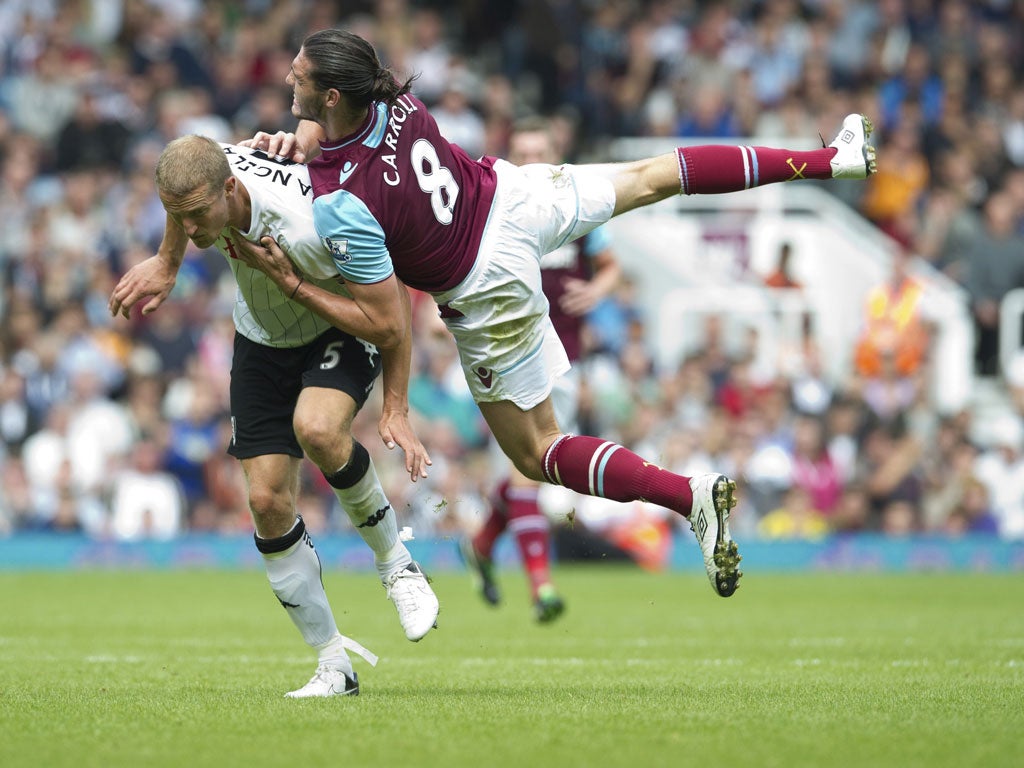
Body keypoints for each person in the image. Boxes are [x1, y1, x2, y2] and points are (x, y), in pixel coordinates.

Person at [237, 28, 878, 600]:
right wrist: (306, 137)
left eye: (299, 75)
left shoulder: (339, 200)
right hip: (517, 196)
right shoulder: (395, 100)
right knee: (656, 175)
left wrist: (294, 284)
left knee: (536, 451)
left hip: (485, 284)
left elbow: (385, 322)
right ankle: (832, 160)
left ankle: (689, 498)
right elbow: (341, 135)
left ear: (330, 97)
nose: (287, 78)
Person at [108, 136, 440, 698]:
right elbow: (183, 189)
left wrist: (397, 408)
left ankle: (397, 564)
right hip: (259, 339)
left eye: (196, 217)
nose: (190, 229)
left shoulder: (306, 224)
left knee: (317, 428)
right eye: (177, 216)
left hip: (339, 323)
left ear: (231, 190)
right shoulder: (206, 175)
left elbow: (391, 318)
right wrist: (167, 261)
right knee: (264, 501)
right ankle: (335, 666)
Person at [458, 116, 623, 622]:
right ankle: (541, 587)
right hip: (506, 360)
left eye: (538, 152)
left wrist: (597, 290)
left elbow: (611, 265)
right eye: (521, 152)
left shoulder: (572, 210)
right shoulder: (492, 209)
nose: (530, 161)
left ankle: (483, 543)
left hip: (563, 364)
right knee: (531, 473)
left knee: (530, 471)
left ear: (554, 156)